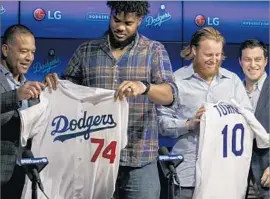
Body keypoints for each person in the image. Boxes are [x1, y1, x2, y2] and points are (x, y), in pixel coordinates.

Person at [45, 1, 176, 199]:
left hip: (139, 158)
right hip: (93, 159)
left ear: (140, 21)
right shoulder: (86, 51)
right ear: (111, 14)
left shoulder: (154, 51)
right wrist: (53, 85)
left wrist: (144, 87)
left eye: (128, 23)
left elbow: (170, 95)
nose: (121, 27)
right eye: (116, 20)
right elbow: (66, 93)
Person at [156, 27, 252, 199]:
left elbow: (248, 119)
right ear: (194, 50)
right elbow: (161, 123)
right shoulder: (175, 81)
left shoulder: (233, 81)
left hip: (224, 177)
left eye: (218, 55)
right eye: (209, 55)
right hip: (188, 177)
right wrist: (189, 124)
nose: (214, 60)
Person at [0, 24, 45, 199]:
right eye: (23, 51)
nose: (29, 58)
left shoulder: (30, 87)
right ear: (5, 49)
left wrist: (49, 91)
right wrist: (15, 96)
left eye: (32, 52)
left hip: (22, 175)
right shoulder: (20, 91)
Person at [239, 39, 269, 199]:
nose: (252, 64)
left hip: (266, 175)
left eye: (257, 59)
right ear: (240, 62)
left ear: (266, 61)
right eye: (247, 59)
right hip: (237, 179)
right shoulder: (232, 92)